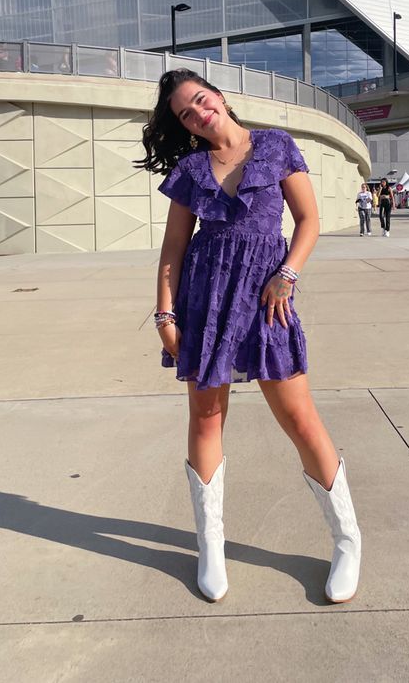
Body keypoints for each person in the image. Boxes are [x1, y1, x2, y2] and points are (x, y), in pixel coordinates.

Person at [137, 69, 361, 605]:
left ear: (219, 96)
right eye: (186, 113)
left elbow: (308, 220)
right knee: (206, 417)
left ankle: (347, 540)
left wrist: (287, 275)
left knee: (299, 417)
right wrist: (166, 315)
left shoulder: (277, 146)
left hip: (268, 299)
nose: (197, 113)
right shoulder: (192, 169)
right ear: (185, 126)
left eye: (200, 100)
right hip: (206, 301)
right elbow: (173, 249)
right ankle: (210, 546)